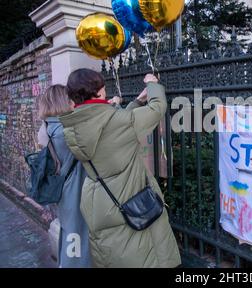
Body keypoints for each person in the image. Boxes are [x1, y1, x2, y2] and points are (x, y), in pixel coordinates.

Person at [59, 68, 181, 268]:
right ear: (99, 92)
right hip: (126, 195)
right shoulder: (118, 122)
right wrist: (153, 84)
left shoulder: (75, 126)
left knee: (113, 252)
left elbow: (112, 126)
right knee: (141, 250)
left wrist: (137, 102)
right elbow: (158, 108)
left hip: (97, 200)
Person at [37, 84, 91, 268]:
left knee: (70, 232)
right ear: (63, 101)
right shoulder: (63, 132)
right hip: (75, 189)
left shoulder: (46, 128)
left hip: (64, 190)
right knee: (76, 235)